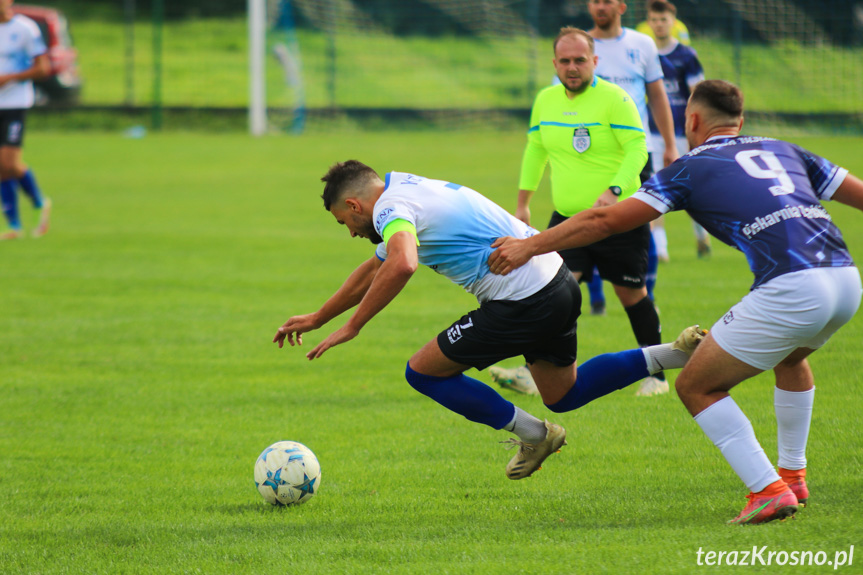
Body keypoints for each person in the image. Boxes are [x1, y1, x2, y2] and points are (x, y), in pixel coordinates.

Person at [488, 79, 863, 524]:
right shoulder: (788, 149)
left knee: (695, 385)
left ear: (693, 121)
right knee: (791, 359)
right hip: (845, 279)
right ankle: (793, 475)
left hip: (792, 288)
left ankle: (768, 490)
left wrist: (530, 246)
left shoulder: (690, 166)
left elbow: (606, 219)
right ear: (740, 122)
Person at [273, 160, 705, 481]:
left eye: (345, 221)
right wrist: (319, 316)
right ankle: (674, 352)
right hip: (554, 279)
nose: (349, 230)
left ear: (354, 204)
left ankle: (536, 434)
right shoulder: (403, 186)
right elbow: (376, 266)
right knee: (563, 392)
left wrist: (353, 327)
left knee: (423, 373)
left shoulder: (390, 209)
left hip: (523, 300)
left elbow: (402, 263)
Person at [490, 26, 669, 397]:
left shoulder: (616, 99)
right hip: (568, 220)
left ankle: (658, 376)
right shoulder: (546, 101)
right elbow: (536, 150)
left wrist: (614, 190)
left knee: (630, 295)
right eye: (566, 61)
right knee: (551, 290)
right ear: (555, 63)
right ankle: (533, 372)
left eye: (580, 60)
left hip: (617, 219)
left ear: (595, 62)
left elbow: (638, 150)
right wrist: (523, 201)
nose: (573, 67)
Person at [644, 0, 710, 261]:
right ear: (649, 22)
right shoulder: (646, 55)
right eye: (654, 20)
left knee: (691, 190)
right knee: (656, 189)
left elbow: (699, 94)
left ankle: (701, 236)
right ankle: (661, 250)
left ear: (673, 21)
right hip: (652, 134)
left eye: (664, 20)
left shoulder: (686, 55)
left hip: (683, 136)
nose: (659, 24)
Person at [0, 0, 51, 241]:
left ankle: (40, 202)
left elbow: (43, 68)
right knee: (1, 167)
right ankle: (14, 226)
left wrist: (11, 77)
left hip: (15, 104)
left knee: (7, 164)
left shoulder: (25, 29)